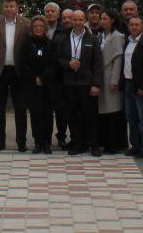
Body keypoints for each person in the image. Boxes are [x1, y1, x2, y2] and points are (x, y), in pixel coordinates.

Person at [0, 0, 28, 152]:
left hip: (18, 72)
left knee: (20, 108)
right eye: (6, 6)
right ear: (3, 7)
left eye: (12, 6)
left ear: (17, 7)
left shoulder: (26, 24)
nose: (9, 9)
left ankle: (21, 141)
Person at [58, 8, 102, 157]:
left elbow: (97, 63)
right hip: (69, 83)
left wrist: (96, 84)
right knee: (73, 116)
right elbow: (58, 59)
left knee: (90, 115)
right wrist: (68, 64)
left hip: (86, 84)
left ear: (85, 21)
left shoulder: (92, 39)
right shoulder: (63, 38)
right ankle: (78, 143)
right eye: (74, 20)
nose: (77, 22)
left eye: (80, 20)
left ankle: (94, 144)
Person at [122, 15, 143, 158]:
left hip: (140, 86)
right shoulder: (128, 42)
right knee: (131, 117)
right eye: (132, 25)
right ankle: (135, 145)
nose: (134, 27)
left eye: (137, 25)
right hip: (128, 83)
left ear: (142, 26)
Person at [20, 16, 54, 154]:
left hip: (47, 84)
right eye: (35, 26)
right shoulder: (26, 44)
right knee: (35, 113)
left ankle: (47, 143)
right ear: (32, 29)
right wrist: (34, 77)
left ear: (45, 28)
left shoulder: (50, 44)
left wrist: (43, 77)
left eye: (41, 26)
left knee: (47, 114)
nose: (38, 28)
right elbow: (23, 64)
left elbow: (53, 64)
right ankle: (38, 142)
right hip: (32, 84)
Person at [97, 8, 126, 154]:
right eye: (101, 18)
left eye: (105, 18)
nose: (102, 21)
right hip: (101, 77)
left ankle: (115, 144)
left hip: (110, 77)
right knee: (103, 111)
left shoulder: (118, 36)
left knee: (113, 111)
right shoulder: (101, 36)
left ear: (112, 20)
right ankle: (105, 141)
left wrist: (114, 80)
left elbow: (118, 59)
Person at [48, 8, 72, 149]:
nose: (67, 20)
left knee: (69, 110)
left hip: (73, 77)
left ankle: (74, 137)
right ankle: (59, 137)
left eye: (70, 17)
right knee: (58, 109)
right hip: (57, 77)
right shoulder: (58, 35)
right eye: (65, 17)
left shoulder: (80, 33)